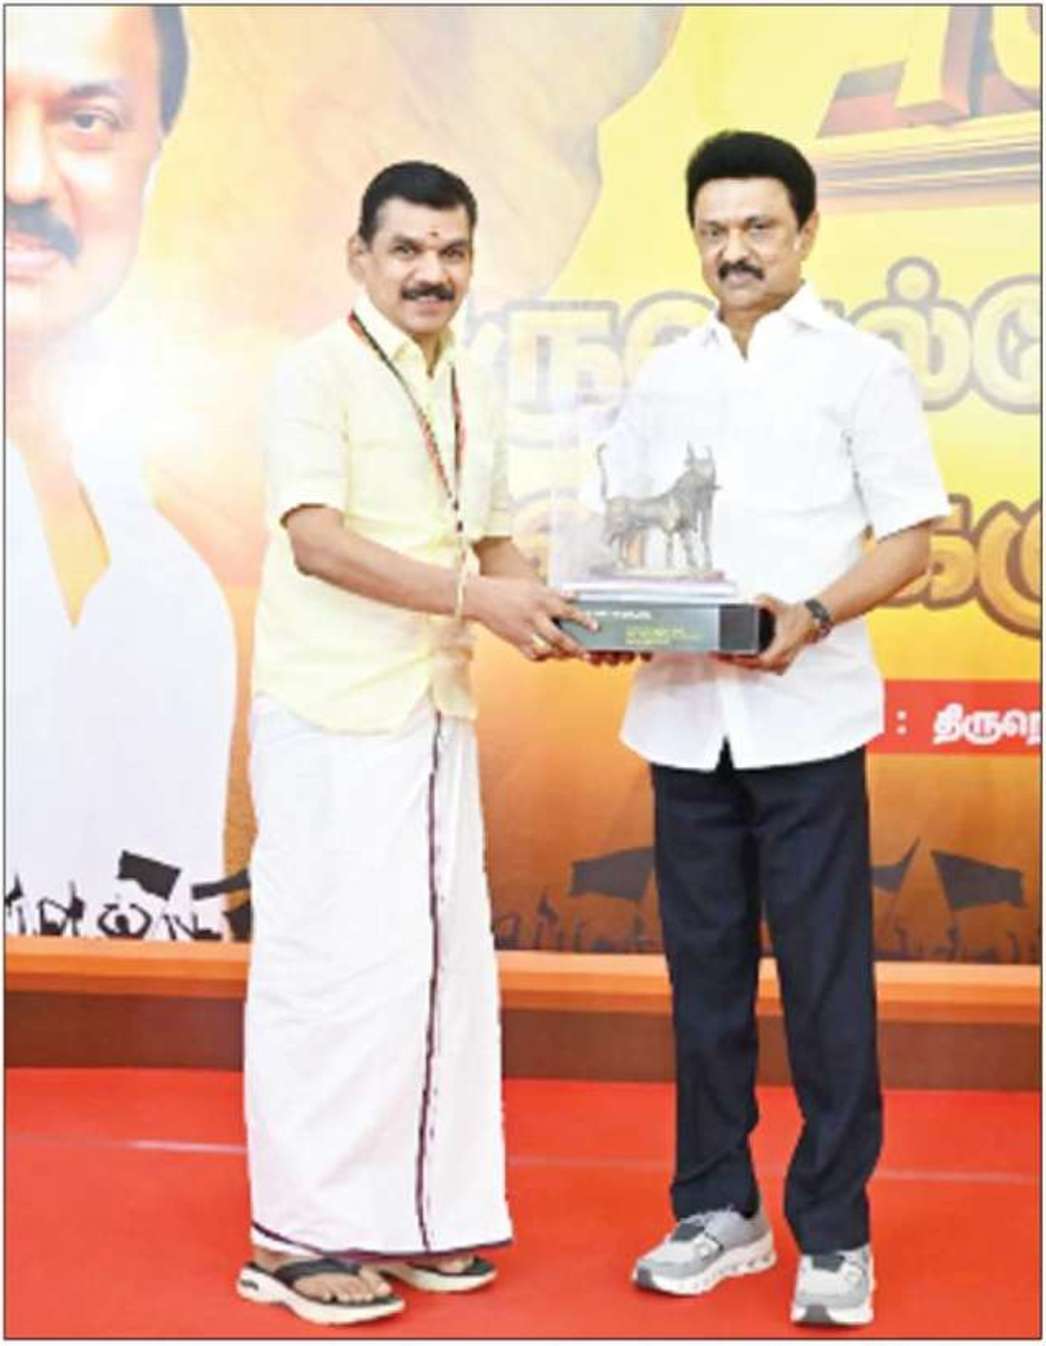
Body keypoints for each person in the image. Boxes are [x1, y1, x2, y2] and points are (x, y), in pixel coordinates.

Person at [597, 131, 949, 1326]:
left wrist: (812, 613)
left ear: (803, 231)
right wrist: (612, 615)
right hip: (684, 721)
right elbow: (625, 533)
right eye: (713, 230)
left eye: (755, 227)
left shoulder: (860, 368)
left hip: (805, 720)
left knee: (822, 988)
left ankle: (834, 1231)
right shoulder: (661, 376)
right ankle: (716, 1208)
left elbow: (909, 540)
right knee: (701, 984)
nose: (733, 250)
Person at [237, 160, 590, 1326]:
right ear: (360, 256)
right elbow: (317, 541)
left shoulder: (470, 380)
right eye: (406, 249)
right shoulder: (315, 371)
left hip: (434, 709)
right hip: (332, 709)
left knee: (430, 975)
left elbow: (490, 545)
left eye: (451, 250)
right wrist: (480, 599)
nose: (430, 271)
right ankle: (292, 1236)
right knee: (328, 973)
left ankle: (409, 1217)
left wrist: (564, 615)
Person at [4, 5, 235, 938]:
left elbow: (170, 951)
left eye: (87, 120)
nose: (23, 178)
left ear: (155, 155)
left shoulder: (172, 587)